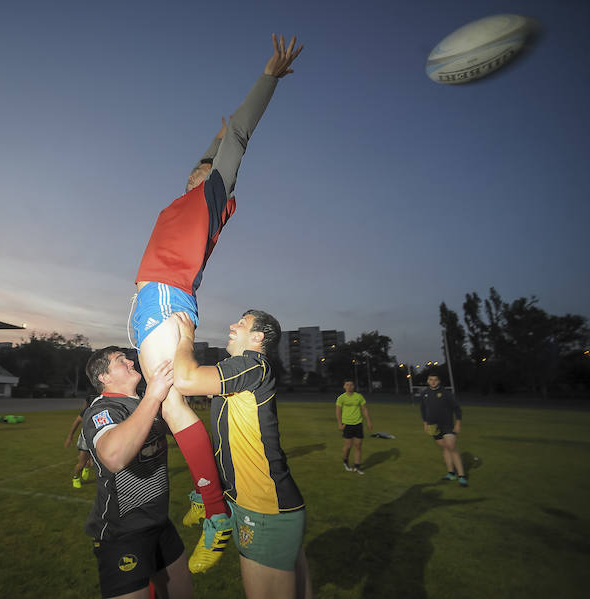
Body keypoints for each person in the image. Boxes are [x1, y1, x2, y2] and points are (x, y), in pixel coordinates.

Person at [131, 34, 303, 573]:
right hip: (149, 299)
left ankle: (214, 511)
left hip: (165, 295)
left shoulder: (212, 197)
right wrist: (218, 131)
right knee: (169, 403)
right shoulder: (193, 193)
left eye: (205, 169)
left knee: (174, 393)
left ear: (218, 186)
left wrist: (268, 78)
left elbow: (240, 136)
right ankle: (210, 500)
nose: (194, 171)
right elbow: (220, 142)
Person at [172, 311, 312, 599]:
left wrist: (186, 337)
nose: (232, 326)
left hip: (264, 508)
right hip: (267, 504)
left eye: (242, 323)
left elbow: (186, 380)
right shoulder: (243, 368)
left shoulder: (252, 365)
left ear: (258, 337)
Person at [81, 346, 192, 599]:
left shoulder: (143, 402)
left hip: (160, 523)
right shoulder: (103, 409)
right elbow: (114, 457)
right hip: (123, 533)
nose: (131, 362)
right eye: (121, 360)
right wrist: (153, 397)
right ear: (104, 377)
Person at [419, 374, 467, 487]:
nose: (433, 382)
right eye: (431, 380)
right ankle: (451, 473)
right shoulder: (424, 393)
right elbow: (423, 409)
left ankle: (462, 476)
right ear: (427, 380)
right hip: (433, 426)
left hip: (447, 425)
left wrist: (458, 423)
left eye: (435, 380)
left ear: (439, 381)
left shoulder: (446, 393)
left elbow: (457, 408)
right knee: (445, 447)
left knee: (451, 447)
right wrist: (425, 423)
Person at [335, 379, 373, 475]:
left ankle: (357, 466)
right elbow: (338, 412)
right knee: (348, 446)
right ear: (344, 386)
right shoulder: (341, 398)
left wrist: (368, 421)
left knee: (358, 446)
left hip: (358, 424)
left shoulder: (359, 396)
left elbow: (364, 409)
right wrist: (340, 424)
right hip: (347, 424)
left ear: (354, 386)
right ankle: (345, 461)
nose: (349, 386)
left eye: (351, 385)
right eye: (347, 385)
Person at [65, 399, 95, 488]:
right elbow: (77, 422)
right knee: (81, 463)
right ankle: (76, 478)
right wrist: (70, 437)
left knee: (95, 464)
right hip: (85, 440)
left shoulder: (106, 409)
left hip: (97, 439)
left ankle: (88, 465)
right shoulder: (88, 410)